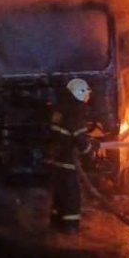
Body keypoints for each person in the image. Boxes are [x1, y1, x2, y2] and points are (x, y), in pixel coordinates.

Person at [44, 78, 96, 233]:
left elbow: (63, 133)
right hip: (68, 160)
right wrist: (90, 153)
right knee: (72, 195)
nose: (88, 97)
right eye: (86, 93)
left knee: (60, 193)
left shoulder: (60, 108)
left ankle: (56, 223)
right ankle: (70, 227)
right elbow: (80, 137)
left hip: (57, 159)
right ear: (79, 93)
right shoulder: (76, 111)